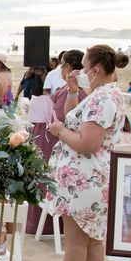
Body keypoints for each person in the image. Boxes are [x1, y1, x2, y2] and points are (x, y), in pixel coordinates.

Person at [35, 45, 129, 261]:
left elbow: (87, 143)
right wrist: (74, 91)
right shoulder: (106, 93)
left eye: (85, 67)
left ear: (96, 70)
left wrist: (60, 131)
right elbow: (76, 116)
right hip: (95, 178)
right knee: (93, 240)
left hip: (85, 180)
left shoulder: (103, 99)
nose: (81, 71)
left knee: (77, 242)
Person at [26, 50, 87, 234]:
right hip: (60, 138)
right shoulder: (78, 88)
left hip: (54, 141)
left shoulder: (73, 90)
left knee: (45, 181)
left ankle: (44, 227)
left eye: (62, 64)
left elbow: (62, 117)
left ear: (68, 66)